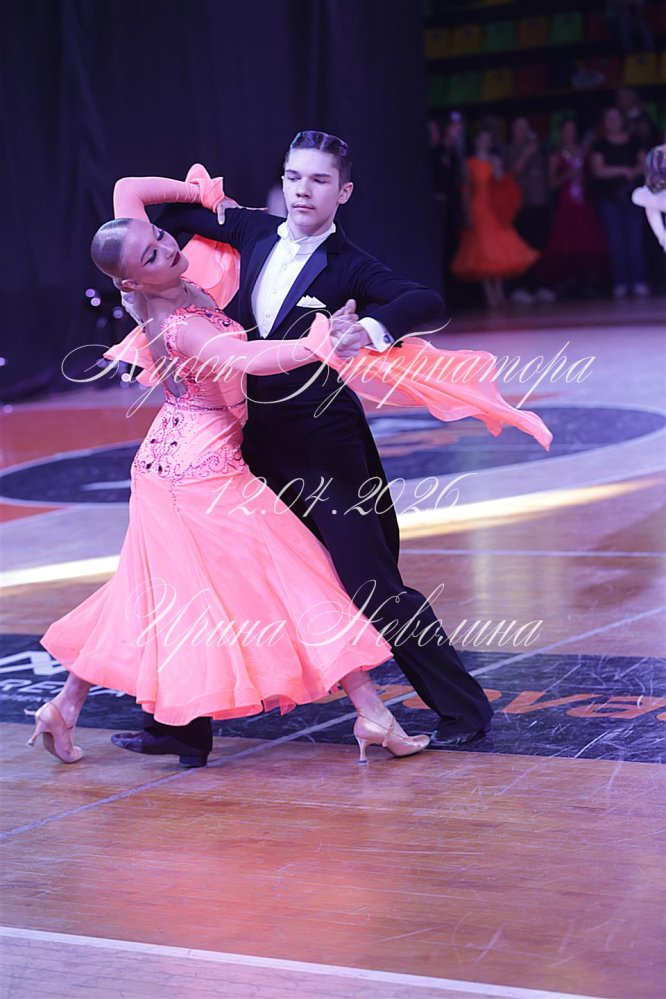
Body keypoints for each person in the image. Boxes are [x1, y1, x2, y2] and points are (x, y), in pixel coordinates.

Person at [106, 130, 508, 762]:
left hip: (324, 447)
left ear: (343, 192)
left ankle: (463, 710)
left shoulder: (349, 264)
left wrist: (369, 329)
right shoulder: (252, 229)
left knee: (370, 584)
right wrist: (203, 196)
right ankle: (179, 726)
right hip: (251, 446)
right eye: (294, 177)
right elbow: (149, 214)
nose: (303, 191)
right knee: (205, 576)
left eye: (319, 180)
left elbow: (424, 300)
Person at [29, 212, 433, 768]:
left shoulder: (177, 287)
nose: (167, 247)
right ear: (132, 282)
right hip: (199, 475)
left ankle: (63, 708)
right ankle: (373, 714)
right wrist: (315, 344)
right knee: (299, 575)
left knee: (148, 593)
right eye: (150, 254)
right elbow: (245, 359)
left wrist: (200, 195)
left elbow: (131, 197)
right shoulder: (176, 322)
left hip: (178, 463)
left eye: (161, 236)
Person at [451, 127, 539, 309]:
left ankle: (499, 293)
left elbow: (501, 182)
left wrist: (497, 166)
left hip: (493, 208)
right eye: (481, 138)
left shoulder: (494, 160)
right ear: (476, 141)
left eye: (487, 139)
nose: (484, 142)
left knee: (497, 248)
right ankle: (489, 295)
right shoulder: (469, 163)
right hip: (478, 208)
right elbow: (466, 190)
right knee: (482, 249)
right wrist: (467, 212)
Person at [536, 119, 607, 297]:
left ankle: (588, 282)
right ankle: (568, 283)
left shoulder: (582, 152)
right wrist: (566, 175)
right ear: (561, 132)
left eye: (572, 130)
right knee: (566, 242)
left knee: (588, 240)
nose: (570, 134)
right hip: (566, 204)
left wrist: (582, 177)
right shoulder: (556, 155)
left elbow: (589, 177)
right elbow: (551, 183)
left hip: (583, 202)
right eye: (566, 130)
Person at [590, 107, 648, 298]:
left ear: (622, 120)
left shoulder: (634, 141)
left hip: (634, 197)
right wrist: (623, 170)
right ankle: (620, 282)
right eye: (609, 118)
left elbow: (644, 164)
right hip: (610, 198)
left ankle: (638, 280)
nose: (613, 121)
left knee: (634, 241)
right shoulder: (600, 144)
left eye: (616, 117)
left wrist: (634, 171)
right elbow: (598, 170)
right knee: (616, 241)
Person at [503, 117, 554, 305]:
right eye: (519, 127)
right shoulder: (508, 150)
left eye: (525, 127)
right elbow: (511, 173)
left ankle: (538, 286)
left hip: (540, 204)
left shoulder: (539, 150)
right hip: (520, 206)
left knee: (539, 247)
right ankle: (520, 287)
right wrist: (526, 152)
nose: (522, 130)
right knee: (522, 247)